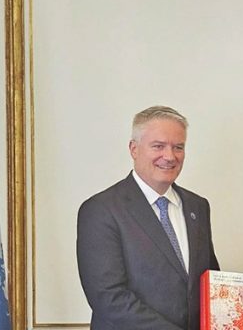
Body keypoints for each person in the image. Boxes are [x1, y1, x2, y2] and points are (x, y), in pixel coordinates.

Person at [77, 106, 219, 330]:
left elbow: (209, 281)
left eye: (178, 147)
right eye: (158, 146)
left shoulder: (198, 207)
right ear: (134, 149)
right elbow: (109, 298)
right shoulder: (101, 209)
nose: (169, 156)